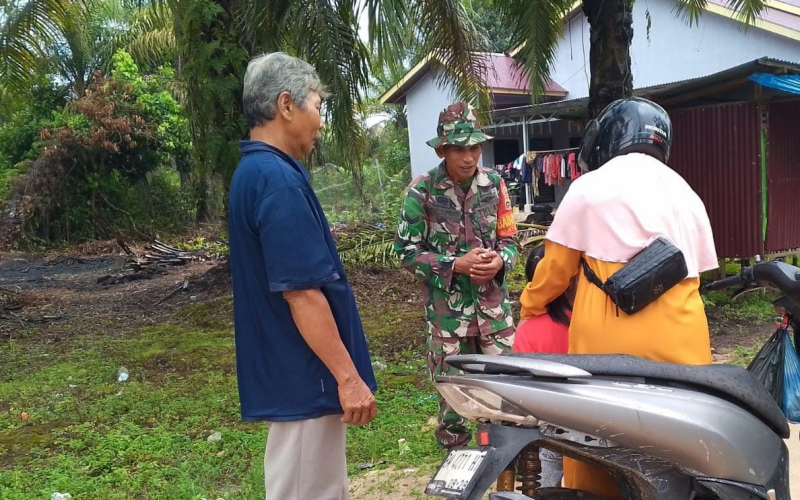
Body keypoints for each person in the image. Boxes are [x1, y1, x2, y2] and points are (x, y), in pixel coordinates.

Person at [518, 97, 718, 499]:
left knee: (594, 445)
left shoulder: (590, 187)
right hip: (687, 353)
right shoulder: (686, 192)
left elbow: (555, 271)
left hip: (610, 353)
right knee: (677, 448)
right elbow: (701, 270)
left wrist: (530, 306)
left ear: (607, 139)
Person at [228, 52, 377, 500]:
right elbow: (302, 293)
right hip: (305, 375)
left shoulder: (255, 172)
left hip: (295, 372)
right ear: (287, 105)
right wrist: (348, 378)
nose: (321, 122)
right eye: (318, 107)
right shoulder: (278, 182)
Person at [394, 102, 520, 448]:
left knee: (507, 390)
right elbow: (405, 252)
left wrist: (501, 261)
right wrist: (454, 265)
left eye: (475, 148)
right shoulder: (422, 191)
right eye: (459, 149)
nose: (469, 157)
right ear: (442, 149)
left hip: (494, 315)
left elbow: (510, 239)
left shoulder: (495, 185)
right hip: (448, 316)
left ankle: (503, 457)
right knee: (453, 400)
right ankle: (458, 465)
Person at [513, 244, 575, 488]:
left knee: (545, 481)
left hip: (548, 430)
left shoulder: (528, 330)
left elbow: (523, 394)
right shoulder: (592, 323)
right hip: (598, 428)